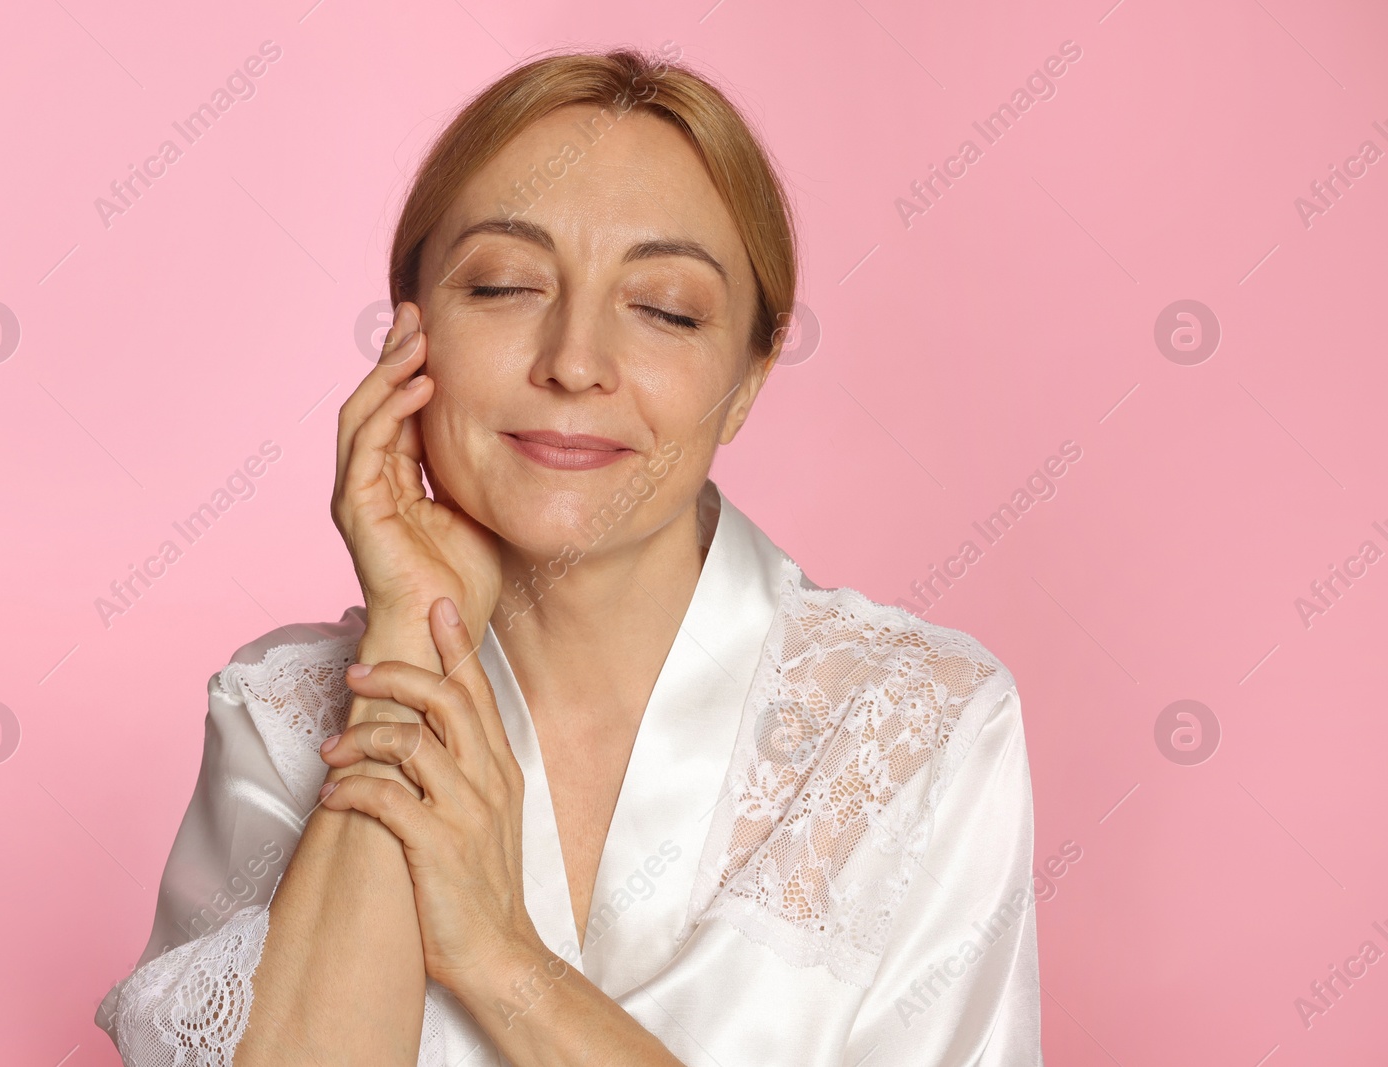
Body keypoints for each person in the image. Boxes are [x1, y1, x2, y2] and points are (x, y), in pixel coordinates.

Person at [95, 46, 1042, 1066]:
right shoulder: (283, 717)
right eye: (503, 286)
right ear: (408, 329)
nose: (575, 362)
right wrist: (410, 648)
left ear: (749, 374)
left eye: (665, 309)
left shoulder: (921, 725)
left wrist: (501, 957)